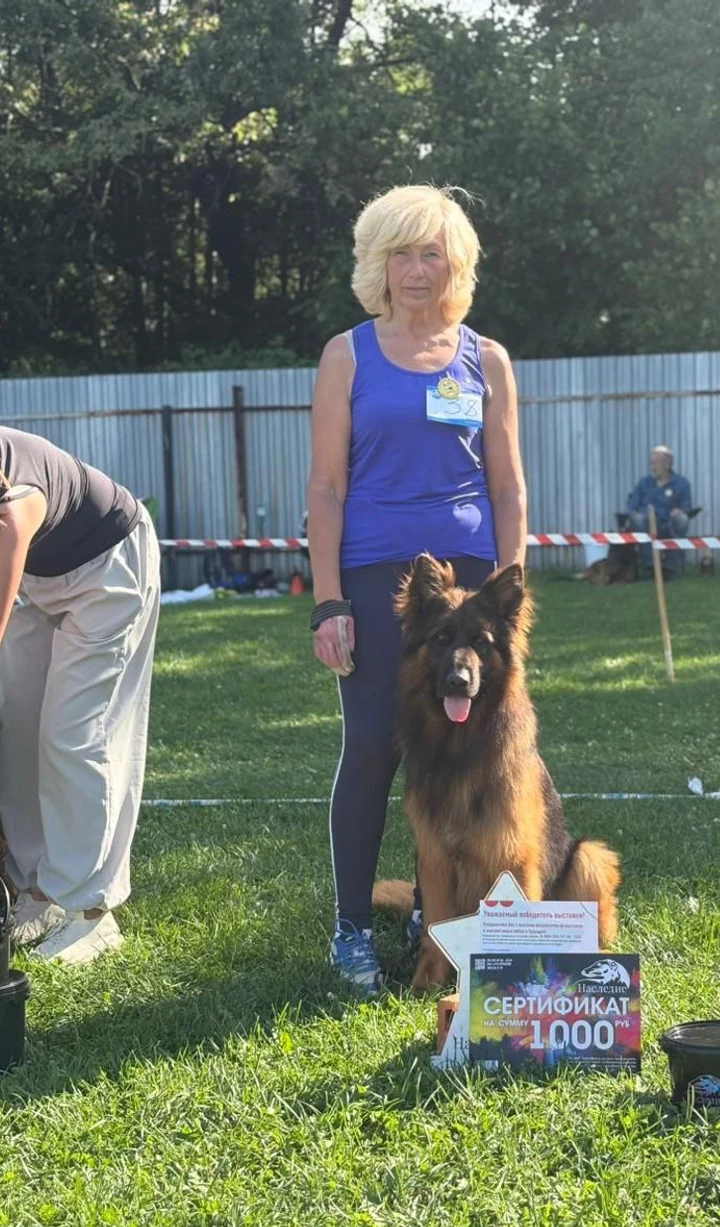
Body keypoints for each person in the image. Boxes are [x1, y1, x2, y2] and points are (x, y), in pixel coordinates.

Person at [306, 184, 527, 994]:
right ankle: (352, 929)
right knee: (373, 744)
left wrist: (509, 594)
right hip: (374, 578)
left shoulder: (486, 359)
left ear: (454, 263)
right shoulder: (346, 355)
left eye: (431, 252)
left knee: (463, 753)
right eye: (400, 253)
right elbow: (326, 488)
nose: (416, 269)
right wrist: (329, 600)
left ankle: (437, 913)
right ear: (378, 264)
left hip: (470, 585)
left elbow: (508, 487)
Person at [0, 427, 160, 964]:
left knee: (73, 733)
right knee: (21, 730)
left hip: (109, 563)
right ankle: (38, 892)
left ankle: (90, 910)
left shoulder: (12, 503)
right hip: (38, 575)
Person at [626, 445, 694, 578]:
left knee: (682, 519)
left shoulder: (682, 483)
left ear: (667, 464)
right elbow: (632, 506)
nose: (652, 467)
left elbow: (687, 506)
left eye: (655, 463)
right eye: (651, 463)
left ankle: (670, 568)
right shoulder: (644, 483)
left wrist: (679, 511)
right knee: (636, 519)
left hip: (669, 524)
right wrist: (635, 513)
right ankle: (651, 566)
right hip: (647, 524)